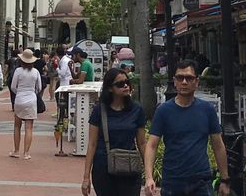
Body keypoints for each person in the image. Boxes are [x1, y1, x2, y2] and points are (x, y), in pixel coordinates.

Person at [144, 59, 231, 196]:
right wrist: (149, 178)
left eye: (189, 78)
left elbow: (218, 145)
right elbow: (152, 145)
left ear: (196, 82)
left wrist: (225, 179)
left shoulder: (207, 110)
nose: (184, 82)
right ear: (174, 81)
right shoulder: (163, 111)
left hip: (201, 181)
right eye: (180, 78)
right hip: (172, 180)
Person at [82, 67, 146, 196]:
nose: (126, 86)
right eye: (120, 84)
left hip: (130, 167)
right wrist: (86, 177)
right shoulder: (99, 110)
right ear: (110, 88)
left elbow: (142, 143)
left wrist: (149, 175)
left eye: (127, 82)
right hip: (104, 169)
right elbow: (92, 144)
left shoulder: (137, 109)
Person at [9, 48, 42, 159]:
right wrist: (32, 92)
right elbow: (39, 87)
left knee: (17, 126)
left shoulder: (18, 71)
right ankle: (26, 153)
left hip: (19, 99)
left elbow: (13, 86)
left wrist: (19, 92)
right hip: (31, 99)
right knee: (29, 128)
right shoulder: (36, 72)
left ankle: (16, 151)